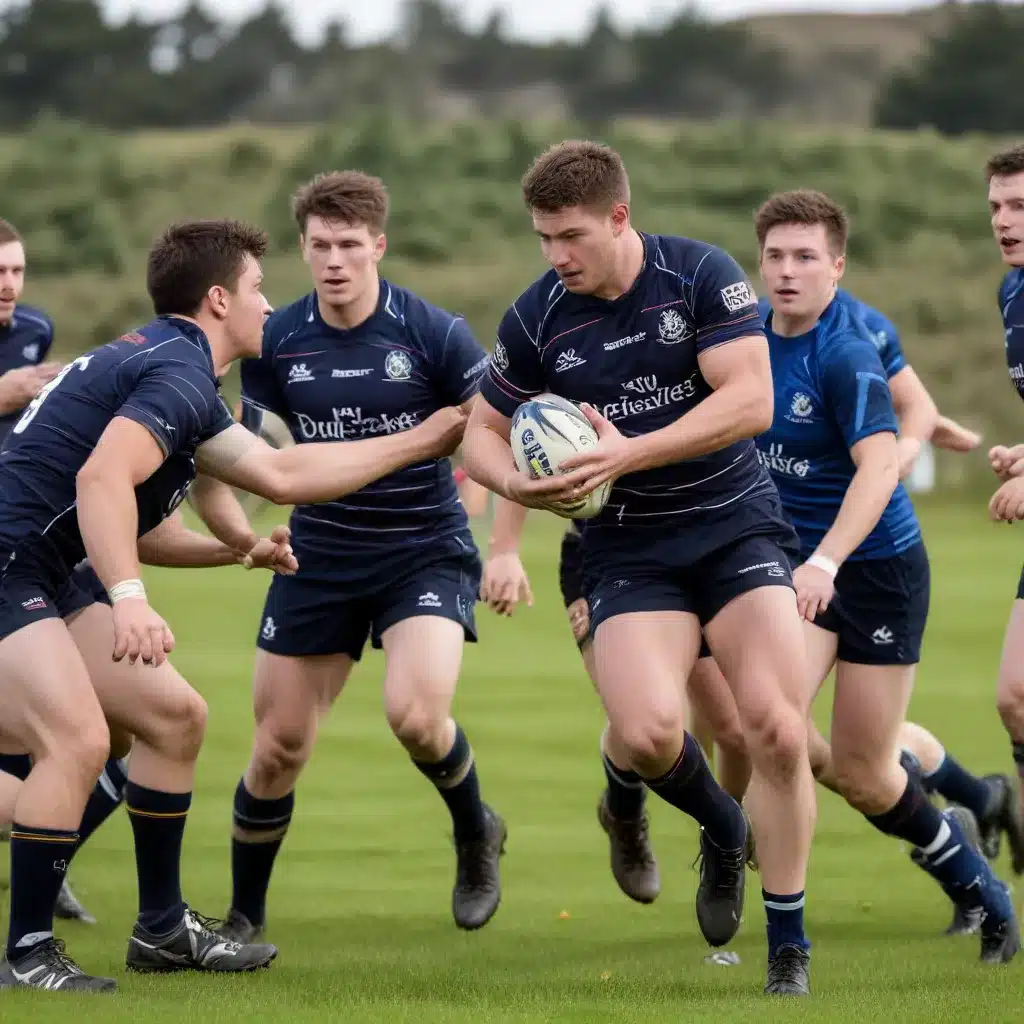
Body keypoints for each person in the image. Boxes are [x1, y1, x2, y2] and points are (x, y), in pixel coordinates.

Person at [0, 217, 467, 993]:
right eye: (256, 288)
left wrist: (237, 547)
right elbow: (100, 486)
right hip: (10, 566)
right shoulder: (177, 375)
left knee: (174, 718)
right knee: (79, 743)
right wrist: (129, 600)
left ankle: (160, 929)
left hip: (41, 568)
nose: (267, 302)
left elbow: (281, 476)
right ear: (219, 300)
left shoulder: (176, 370)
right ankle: (27, 952)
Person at [462, 140, 816, 996]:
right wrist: (517, 483)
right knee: (652, 732)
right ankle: (724, 828)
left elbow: (751, 400)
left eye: (571, 235)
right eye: (543, 237)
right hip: (626, 549)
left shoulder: (699, 276)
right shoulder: (538, 316)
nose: (556, 255)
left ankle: (787, 948)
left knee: (770, 724)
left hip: (733, 529)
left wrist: (629, 451)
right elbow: (479, 430)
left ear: (620, 217)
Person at [216, 171, 505, 947]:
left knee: (415, 716)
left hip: (423, 550)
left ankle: (476, 831)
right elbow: (257, 448)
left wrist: (486, 507)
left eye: (350, 244)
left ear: (378, 244)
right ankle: (246, 918)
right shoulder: (276, 342)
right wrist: (242, 527)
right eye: (320, 246)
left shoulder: (434, 332)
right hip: (319, 553)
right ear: (303, 251)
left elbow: (492, 422)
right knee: (277, 748)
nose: (335, 260)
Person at [753, 187, 1017, 965]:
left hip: (874, 568)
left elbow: (885, 457)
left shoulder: (848, 345)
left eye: (806, 257)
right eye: (775, 256)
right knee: (777, 728)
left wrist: (829, 555)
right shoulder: (741, 339)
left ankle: (978, 882)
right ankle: (785, 937)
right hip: (790, 568)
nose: (789, 271)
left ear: (838, 265)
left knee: (866, 773)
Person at [0, 216, 126, 925]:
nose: (9, 285)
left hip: (38, 541)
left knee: (140, 718)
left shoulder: (36, 329)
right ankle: (42, 846)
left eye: (16, 270)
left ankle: (48, 856)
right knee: (62, 736)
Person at [983, 145, 1024, 868]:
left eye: (1020, 205)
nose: (1005, 220)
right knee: (1016, 695)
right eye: (994, 206)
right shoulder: (1012, 292)